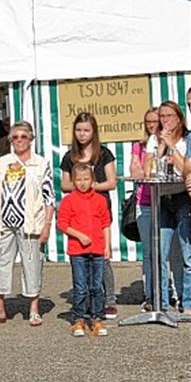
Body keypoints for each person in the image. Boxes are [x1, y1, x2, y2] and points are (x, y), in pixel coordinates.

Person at [0, 121, 54, 326]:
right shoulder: (2, 162)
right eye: (15, 137)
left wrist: (47, 226)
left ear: (31, 139)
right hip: (4, 223)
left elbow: (49, 198)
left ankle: (33, 309)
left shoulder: (40, 163)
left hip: (30, 224)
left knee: (32, 263)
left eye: (23, 136)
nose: (19, 140)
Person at [59, 112, 118, 319]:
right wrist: (79, 185)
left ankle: (109, 299)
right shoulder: (69, 157)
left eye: (86, 130)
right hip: (78, 210)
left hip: (99, 205)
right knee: (83, 257)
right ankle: (86, 303)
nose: (82, 134)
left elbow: (112, 181)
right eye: (78, 130)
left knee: (102, 257)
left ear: (94, 132)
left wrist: (94, 185)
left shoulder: (104, 153)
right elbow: (64, 184)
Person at [134, 100, 191, 314]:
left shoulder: (187, 139)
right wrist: (161, 146)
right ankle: (161, 304)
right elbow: (149, 170)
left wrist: (173, 146)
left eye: (169, 116)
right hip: (162, 198)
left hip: (182, 197)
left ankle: (188, 303)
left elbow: (185, 169)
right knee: (160, 253)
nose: (165, 120)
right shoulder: (153, 140)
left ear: (179, 118)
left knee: (187, 254)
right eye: (162, 117)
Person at [57, 163, 111, 337]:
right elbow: (62, 224)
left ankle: (97, 318)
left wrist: (107, 246)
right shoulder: (69, 200)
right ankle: (78, 318)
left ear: (92, 180)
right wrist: (79, 235)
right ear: (73, 181)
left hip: (97, 249)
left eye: (86, 179)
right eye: (78, 179)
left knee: (96, 287)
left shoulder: (100, 200)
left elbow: (106, 224)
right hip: (78, 250)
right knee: (80, 287)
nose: (82, 183)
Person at [129, 107, 165, 309]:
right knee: (149, 252)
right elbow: (135, 171)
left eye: (155, 121)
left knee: (168, 250)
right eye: (148, 121)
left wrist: (146, 168)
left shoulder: (167, 143)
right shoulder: (139, 145)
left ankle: (170, 293)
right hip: (145, 201)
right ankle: (150, 294)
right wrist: (143, 168)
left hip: (165, 201)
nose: (152, 125)